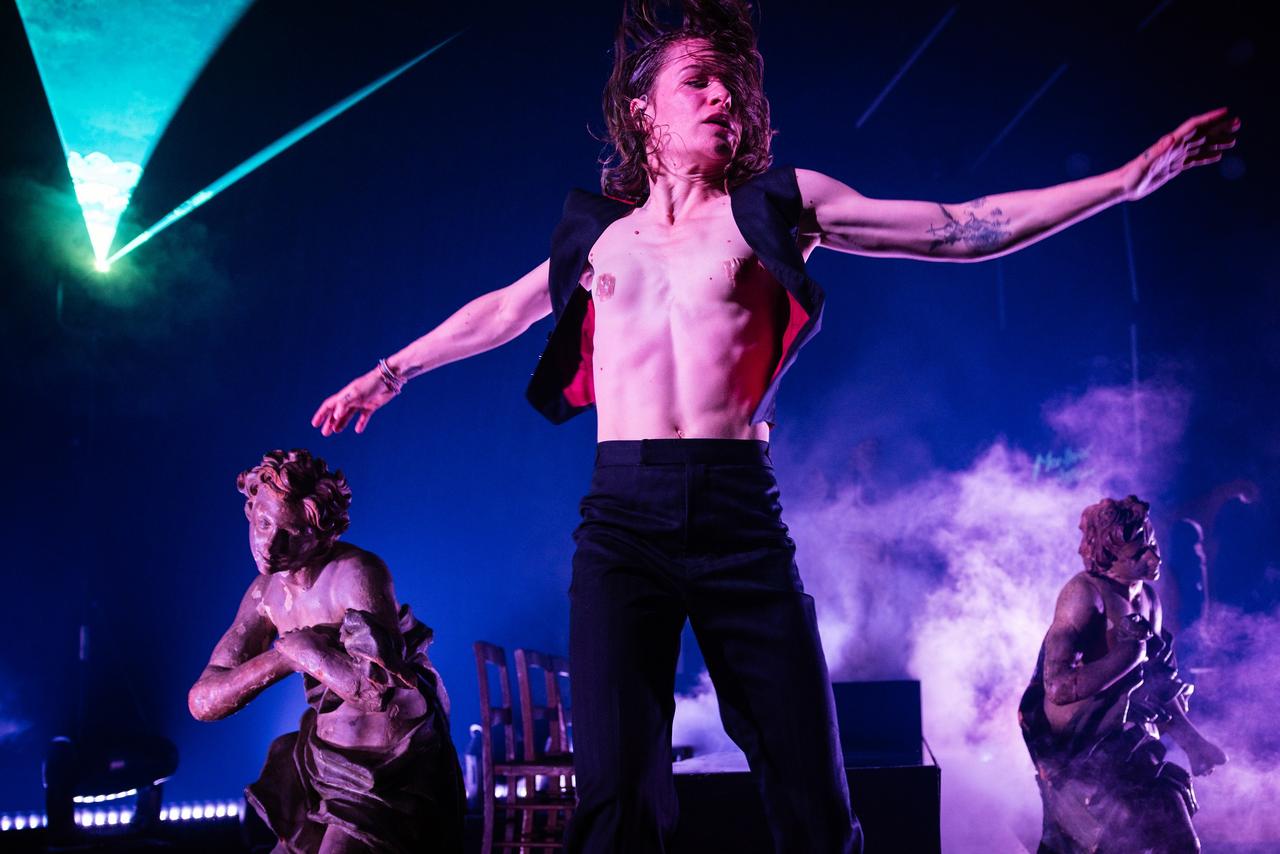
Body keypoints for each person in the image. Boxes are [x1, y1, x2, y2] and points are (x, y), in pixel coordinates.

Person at [310, 3, 1238, 851]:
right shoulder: (601, 236)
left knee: (810, 790)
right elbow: (502, 311)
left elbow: (958, 228)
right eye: (697, 82)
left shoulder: (778, 208)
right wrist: (392, 371)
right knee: (616, 792)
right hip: (620, 521)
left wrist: (1122, 183)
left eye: (731, 86)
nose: (723, 98)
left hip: (736, 515)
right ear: (645, 114)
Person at [189, 449, 463, 854]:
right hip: (323, 763)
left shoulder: (355, 573)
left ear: (323, 534)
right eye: (263, 523)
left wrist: (311, 653)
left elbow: (375, 689)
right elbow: (203, 701)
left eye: (293, 532)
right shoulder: (265, 594)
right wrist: (285, 655)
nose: (270, 544)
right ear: (250, 511)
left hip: (387, 773)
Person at [1018, 496, 1229, 853]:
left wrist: (1193, 743)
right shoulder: (1083, 596)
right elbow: (1057, 686)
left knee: (1182, 842)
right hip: (1082, 758)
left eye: (1153, 546)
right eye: (1138, 554)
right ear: (1108, 558)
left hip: (1133, 748)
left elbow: (1158, 684)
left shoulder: (1148, 598)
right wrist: (1127, 655)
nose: (1154, 559)